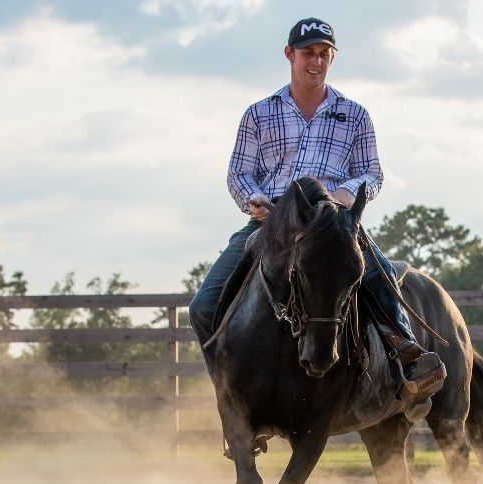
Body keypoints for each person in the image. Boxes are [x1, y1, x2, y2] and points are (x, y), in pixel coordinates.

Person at [189, 16, 445, 415]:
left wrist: (348, 192)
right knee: (203, 307)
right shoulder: (259, 113)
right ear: (290, 54)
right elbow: (239, 171)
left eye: (325, 54)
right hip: (272, 221)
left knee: (376, 275)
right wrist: (254, 199)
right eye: (309, 53)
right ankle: (230, 396)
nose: (317, 61)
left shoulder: (354, 114)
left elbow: (372, 174)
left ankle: (408, 362)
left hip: (334, 223)